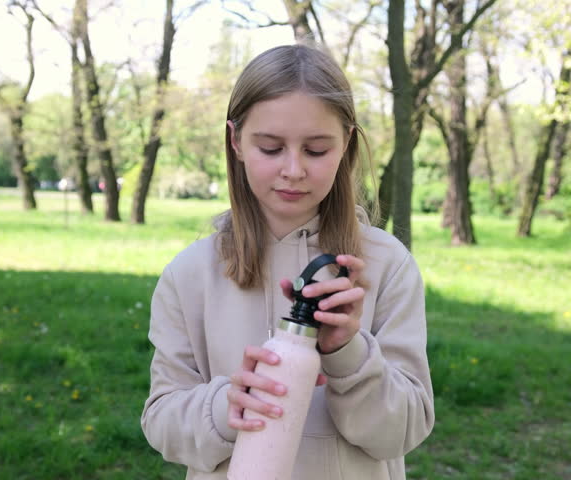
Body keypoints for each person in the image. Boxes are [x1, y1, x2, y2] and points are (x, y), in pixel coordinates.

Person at [141, 43, 434, 480]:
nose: (293, 170)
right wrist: (228, 406)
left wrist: (348, 354)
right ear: (236, 140)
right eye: (271, 147)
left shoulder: (386, 265)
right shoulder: (189, 274)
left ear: (346, 144)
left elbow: (401, 433)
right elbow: (162, 423)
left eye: (316, 150)